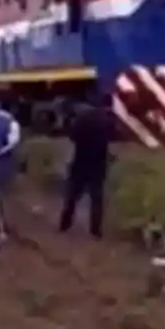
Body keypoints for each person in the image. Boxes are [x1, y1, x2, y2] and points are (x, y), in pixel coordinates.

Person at [58, 93, 115, 238]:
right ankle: (95, 231)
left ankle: (65, 224)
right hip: (98, 164)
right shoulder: (108, 120)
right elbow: (111, 137)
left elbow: (73, 136)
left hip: (81, 161)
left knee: (72, 196)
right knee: (97, 199)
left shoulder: (83, 118)